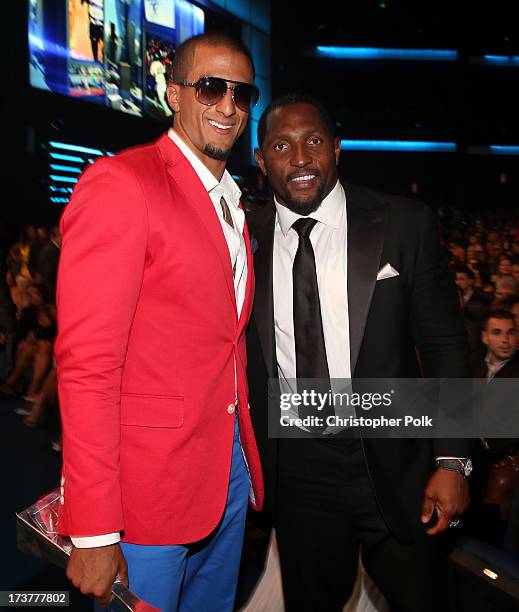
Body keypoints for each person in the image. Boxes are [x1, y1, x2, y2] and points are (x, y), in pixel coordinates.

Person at [56, 32, 263, 611]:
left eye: (242, 93)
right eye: (211, 88)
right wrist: (95, 528)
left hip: (226, 472)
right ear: (174, 94)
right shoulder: (124, 184)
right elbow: (88, 365)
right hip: (147, 489)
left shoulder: (232, 201)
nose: (228, 105)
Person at [247, 94, 472, 612]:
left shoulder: (403, 223)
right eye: (282, 146)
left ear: (337, 149)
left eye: (313, 141)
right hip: (298, 472)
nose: (300, 158)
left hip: (402, 462)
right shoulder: (243, 239)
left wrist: (455, 460)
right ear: (261, 161)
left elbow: (446, 348)